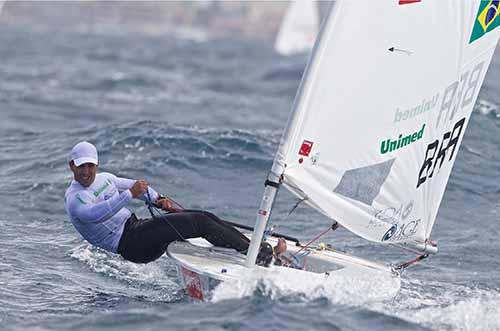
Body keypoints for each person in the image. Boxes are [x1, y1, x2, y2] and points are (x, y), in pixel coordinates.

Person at [64, 141, 285, 266]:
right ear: (72, 166)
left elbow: (137, 187)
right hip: (130, 244)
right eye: (81, 166)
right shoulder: (75, 199)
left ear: (96, 164)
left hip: (137, 228)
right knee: (198, 223)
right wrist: (128, 195)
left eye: (90, 166)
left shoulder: (106, 178)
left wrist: (159, 201)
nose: (86, 172)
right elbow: (95, 215)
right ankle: (259, 255)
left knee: (205, 217)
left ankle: (248, 248)